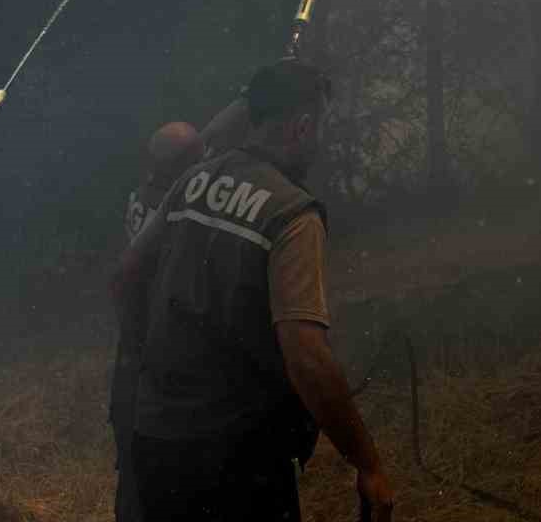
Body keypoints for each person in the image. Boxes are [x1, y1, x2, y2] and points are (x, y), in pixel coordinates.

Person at [116, 60, 394, 522]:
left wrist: (151, 371)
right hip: (237, 458)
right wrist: (368, 463)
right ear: (303, 126)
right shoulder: (291, 213)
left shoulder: (192, 182)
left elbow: (127, 275)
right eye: (318, 127)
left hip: (157, 441)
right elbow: (307, 356)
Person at [111, 96, 251, 522]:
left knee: (134, 473)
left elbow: (202, 140)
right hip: (158, 358)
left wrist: (247, 97)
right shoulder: (177, 207)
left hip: (133, 360)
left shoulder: (145, 190)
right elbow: (206, 149)